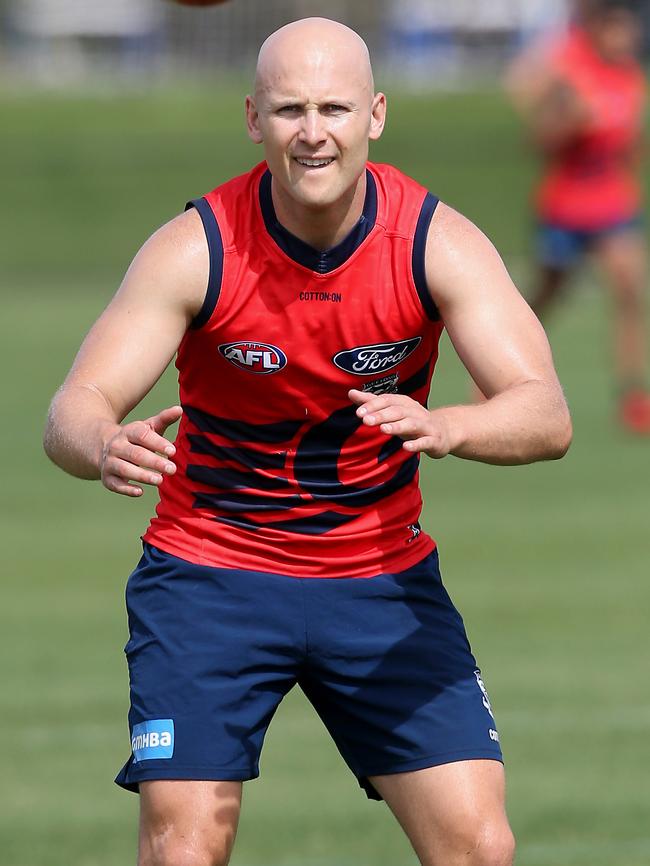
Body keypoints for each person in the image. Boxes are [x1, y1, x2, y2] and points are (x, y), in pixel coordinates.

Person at [44, 17, 571, 866]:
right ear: (254, 118)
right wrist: (101, 441)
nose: (314, 132)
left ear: (377, 115)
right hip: (210, 578)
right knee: (184, 849)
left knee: (479, 846)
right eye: (291, 109)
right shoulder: (197, 246)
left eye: (335, 107)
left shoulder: (434, 241)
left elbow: (546, 413)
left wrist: (451, 426)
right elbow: (74, 403)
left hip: (379, 579)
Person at [505, 0, 650, 433]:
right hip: (566, 206)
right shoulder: (570, 72)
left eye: (630, 33)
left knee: (629, 287)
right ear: (598, 31)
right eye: (617, 32)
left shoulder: (630, 77)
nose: (626, 40)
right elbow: (537, 140)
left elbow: (631, 142)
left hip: (612, 204)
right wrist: (568, 123)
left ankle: (634, 395)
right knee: (546, 297)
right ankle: (500, 372)